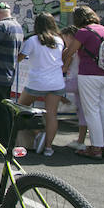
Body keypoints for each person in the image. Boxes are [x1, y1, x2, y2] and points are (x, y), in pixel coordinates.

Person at [62, 6, 104, 159]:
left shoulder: (84, 32)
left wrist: (62, 58)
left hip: (90, 74)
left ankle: (96, 147)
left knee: (91, 110)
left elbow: (70, 51)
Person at [16, 13, 65, 156]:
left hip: (37, 82)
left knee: (20, 109)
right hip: (56, 82)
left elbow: (19, 58)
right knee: (52, 114)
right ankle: (49, 148)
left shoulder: (32, 41)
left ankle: (37, 133)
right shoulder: (59, 40)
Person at [0, 1, 23, 149]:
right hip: (8, 74)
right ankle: (7, 142)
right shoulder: (17, 27)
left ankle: (2, 144)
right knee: (5, 110)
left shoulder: (0, 27)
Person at [60, 25, 89, 150]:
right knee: (82, 113)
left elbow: (65, 68)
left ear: (69, 37)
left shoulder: (71, 51)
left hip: (72, 81)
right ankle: (81, 140)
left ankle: (66, 102)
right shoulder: (82, 50)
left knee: (49, 89)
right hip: (83, 80)